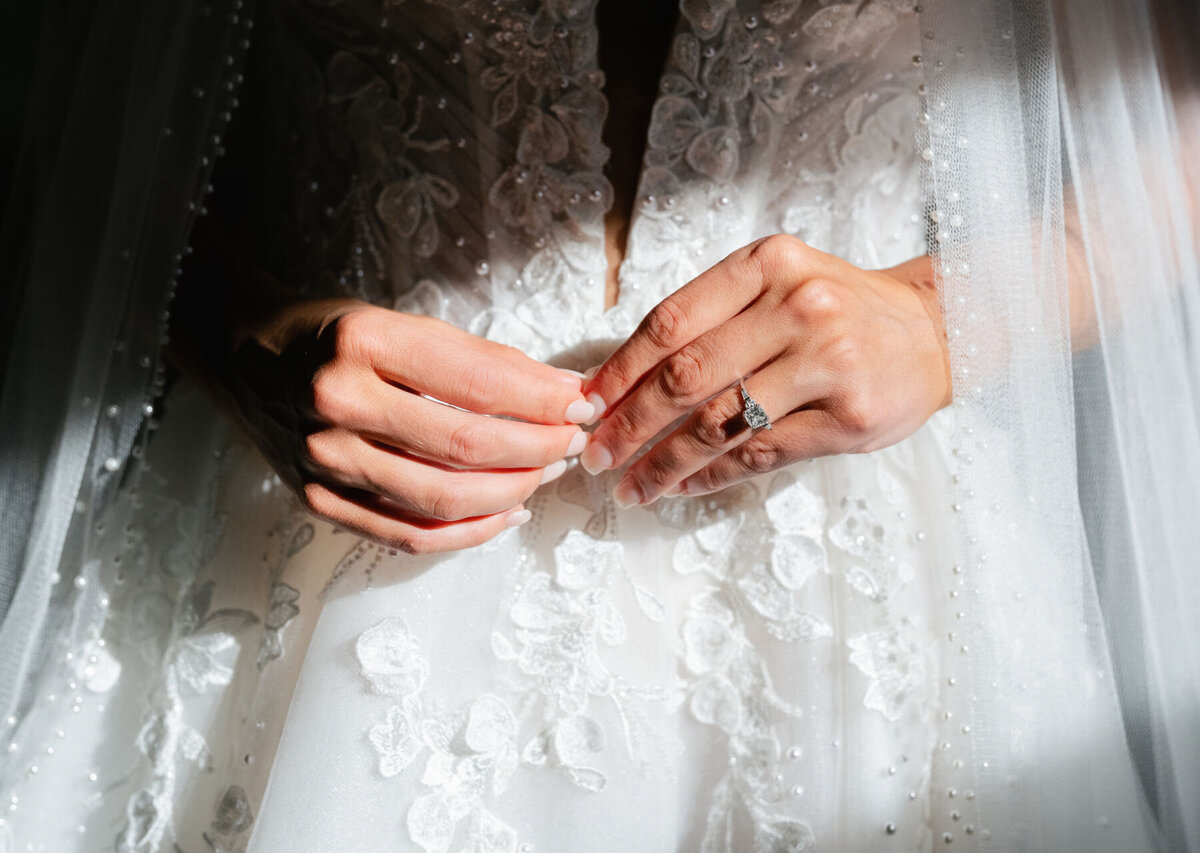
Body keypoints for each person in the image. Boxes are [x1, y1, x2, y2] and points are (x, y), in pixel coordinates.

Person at [0, 0, 1197, 851]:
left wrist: (950, 319)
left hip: (864, 605)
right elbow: (64, 87)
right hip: (308, 540)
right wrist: (238, 333)